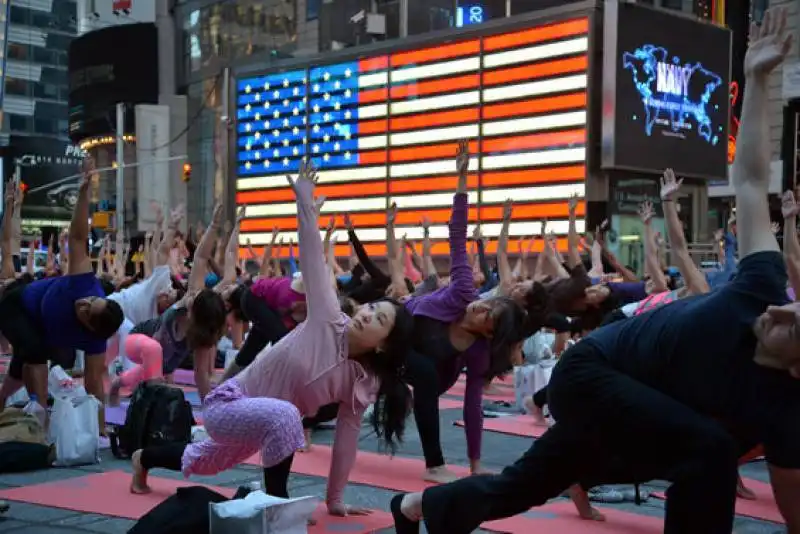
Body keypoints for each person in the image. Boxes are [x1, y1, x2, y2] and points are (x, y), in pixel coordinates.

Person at [389, 9, 800, 533]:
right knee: (711, 450)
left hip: (633, 406)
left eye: (793, 326)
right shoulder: (762, 285)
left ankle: (411, 509)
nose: (780, 311)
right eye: (794, 304)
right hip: (590, 374)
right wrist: (761, 79)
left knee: (521, 486)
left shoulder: (788, 410)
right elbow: (750, 181)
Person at [129, 161, 415, 516]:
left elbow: (346, 440)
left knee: (203, 461)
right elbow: (312, 261)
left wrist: (335, 500)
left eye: (380, 319)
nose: (367, 313)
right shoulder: (328, 319)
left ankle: (143, 458)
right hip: (230, 404)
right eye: (372, 308)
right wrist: (305, 205)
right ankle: (278, 508)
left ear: (384, 343)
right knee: (286, 416)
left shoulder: (363, 383)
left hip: (269, 423)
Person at [404, 140, 528, 482]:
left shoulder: (477, 353)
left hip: (414, 371)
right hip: (395, 332)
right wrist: (462, 180)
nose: (479, 306)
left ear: (489, 333)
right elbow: (457, 235)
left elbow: (473, 405)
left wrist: (475, 465)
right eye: (486, 304)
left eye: (486, 315)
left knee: (426, 377)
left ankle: (434, 466)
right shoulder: (462, 291)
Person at [0, 158, 124, 423]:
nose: (83, 303)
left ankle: (3, 401)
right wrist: (84, 190)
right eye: (90, 301)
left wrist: (99, 428)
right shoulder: (83, 282)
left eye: (87, 310)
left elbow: (93, 383)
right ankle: (40, 415)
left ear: (91, 328)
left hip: (44, 329)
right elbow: (79, 237)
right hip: (16, 306)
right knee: (35, 351)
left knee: (31, 359)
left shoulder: (95, 341)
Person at [108, 204, 230, 403]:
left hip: (160, 363)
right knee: (153, 358)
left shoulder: (202, 335)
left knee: (145, 371)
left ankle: (117, 384)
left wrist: (211, 411)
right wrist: (214, 225)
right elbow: (200, 257)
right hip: (137, 339)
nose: (189, 306)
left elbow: (201, 377)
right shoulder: (187, 297)